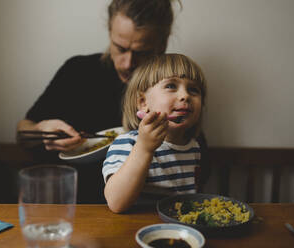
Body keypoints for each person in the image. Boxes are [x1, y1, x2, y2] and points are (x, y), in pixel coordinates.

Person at [16, 0, 182, 204]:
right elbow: (23, 133)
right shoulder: (77, 70)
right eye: (120, 48)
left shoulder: (173, 86)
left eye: (142, 53)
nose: (128, 63)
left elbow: (197, 155)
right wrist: (42, 132)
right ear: (110, 32)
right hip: (73, 205)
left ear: (162, 44)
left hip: (144, 209)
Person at [103, 54, 208, 213]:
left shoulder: (194, 147)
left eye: (193, 90)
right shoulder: (127, 143)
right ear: (143, 103)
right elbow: (116, 203)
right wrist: (144, 148)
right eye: (171, 86)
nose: (185, 95)